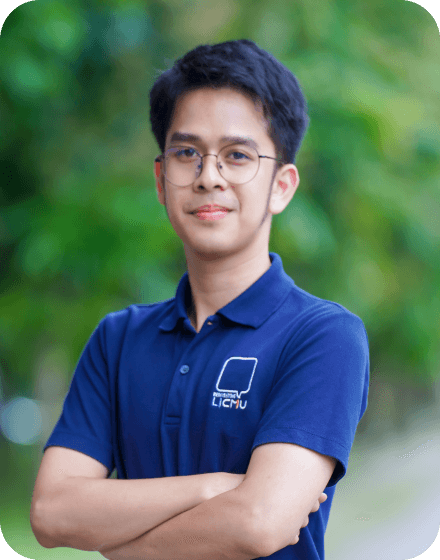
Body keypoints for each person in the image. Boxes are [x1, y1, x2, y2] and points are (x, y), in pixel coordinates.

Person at [30, 39, 369, 560]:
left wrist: (121, 547)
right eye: (187, 153)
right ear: (161, 179)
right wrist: (212, 488)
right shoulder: (117, 340)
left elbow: (259, 523)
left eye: (237, 156)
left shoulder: (323, 335)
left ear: (282, 186)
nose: (209, 176)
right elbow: (52, 513)